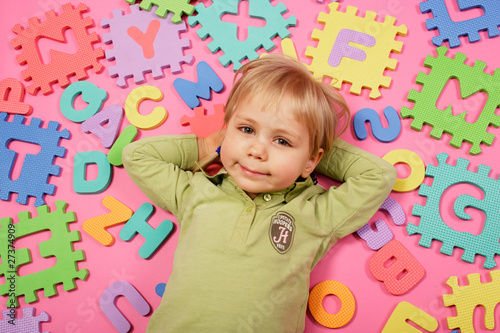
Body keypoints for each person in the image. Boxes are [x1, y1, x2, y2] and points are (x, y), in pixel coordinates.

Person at [122, 54, 397, 332]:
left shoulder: (315, 213)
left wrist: (310, 147)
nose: (257, 150)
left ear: (313, 161)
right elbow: (137, 155)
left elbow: (379, 176)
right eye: (247, 129)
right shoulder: (197, 191)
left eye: (282, 140)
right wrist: (209, 144)